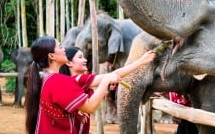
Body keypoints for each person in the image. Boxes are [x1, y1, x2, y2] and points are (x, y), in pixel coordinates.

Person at [25, 36, 156, 134]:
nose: (63, 49)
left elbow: (112, 74)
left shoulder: (46, 78)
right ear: (51, 56)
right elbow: (89, 107)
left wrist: (141, 61)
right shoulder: (58, 81)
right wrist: (105, 83)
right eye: (60, 47)